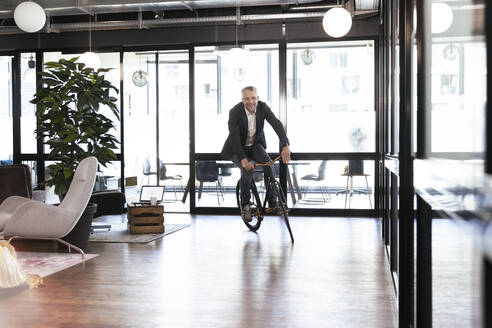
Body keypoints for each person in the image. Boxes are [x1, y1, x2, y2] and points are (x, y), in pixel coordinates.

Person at [221, 86, 290, 222]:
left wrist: (285, 145)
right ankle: (245, 204)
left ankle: (272, 202)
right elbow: (234, 138)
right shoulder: (234, 112)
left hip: (255, 146)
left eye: (253, 98)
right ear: (242, 100)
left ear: (257, 98)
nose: (250, 101)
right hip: (236, 148)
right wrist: (243, 160)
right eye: (247, 98)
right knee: (248, 170)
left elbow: (276, 124)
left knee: (269, 164)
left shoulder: (263, 108)